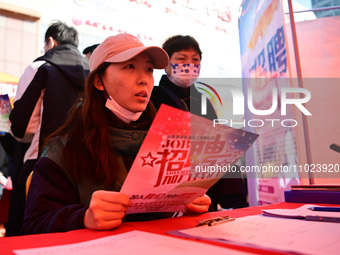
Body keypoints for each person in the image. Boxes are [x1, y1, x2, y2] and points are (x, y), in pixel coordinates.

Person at [22, 33, 211, 235]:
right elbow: (34, 226)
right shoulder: (64, 148)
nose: (144, 80)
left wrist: (185, 207)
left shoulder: (167, 143)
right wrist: (83, 217)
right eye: (129, 67)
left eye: (148, 69)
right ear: (98, 81)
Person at [7, 20, 89, 236]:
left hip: (41, 163)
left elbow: (22, 127)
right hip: (86, 165)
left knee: (27, 230)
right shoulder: (94, 72)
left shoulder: (40, 67)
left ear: (51, 42)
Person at [151, 35, 247, 211]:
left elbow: (218, 143)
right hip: (166, 187)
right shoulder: (153, 97)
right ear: (166, 64)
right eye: (181, 58)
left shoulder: (203, 99)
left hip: (205, 190)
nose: (189, 65)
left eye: (195, 60)